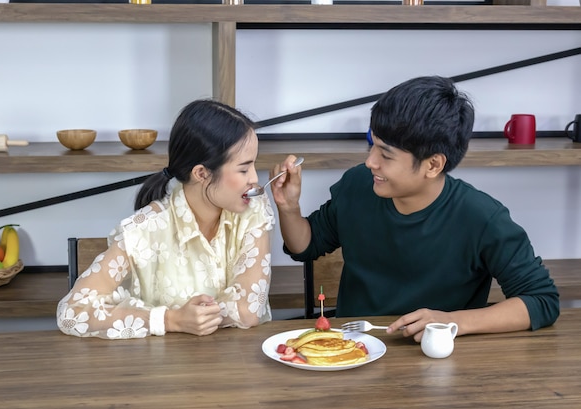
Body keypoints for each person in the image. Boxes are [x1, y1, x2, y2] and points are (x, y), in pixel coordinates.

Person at [271, 76, 559, 342]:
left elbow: (541, 300)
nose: (371, 162)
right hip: (355, 351)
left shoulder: (482, 218)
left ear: (433, 165)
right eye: (372, 145)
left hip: (438, 362)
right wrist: (289, 207)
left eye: (385, 154)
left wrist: (453, 321)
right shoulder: (358, 185)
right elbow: (306, 246)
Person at [57, 99, 275, 339]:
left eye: (253, 165)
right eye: (244, 169)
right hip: (163, 369)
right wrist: (171, 319)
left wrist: (195, 317)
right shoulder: (143, 231)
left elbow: (248, 310)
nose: (254, 178)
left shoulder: (253, 210)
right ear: (201, 173)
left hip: (241, 365)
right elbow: (72, 313)